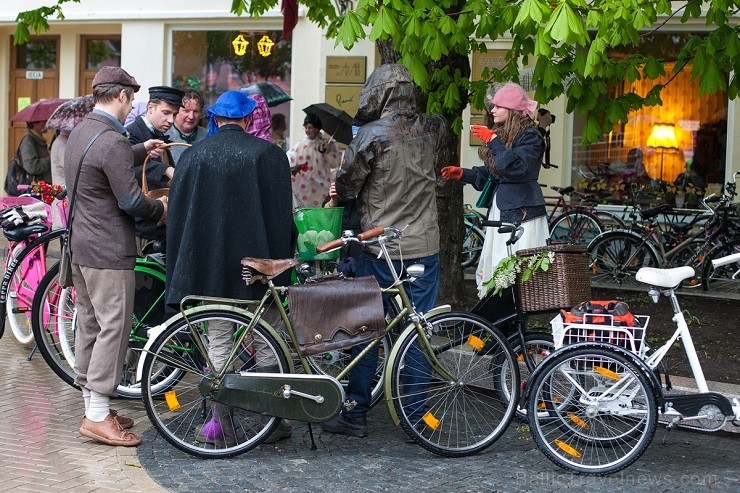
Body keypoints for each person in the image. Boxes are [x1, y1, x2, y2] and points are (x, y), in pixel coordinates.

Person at [320, 64, 446, 438]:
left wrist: (339, 188)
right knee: (418, 332)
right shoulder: (433, 127)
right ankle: (415, 417)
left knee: (364, 331)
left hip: (380, 248)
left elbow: (347, 187)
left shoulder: (372, 135)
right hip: (424, 244)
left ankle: (355, 412)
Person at [165, 90, 295, 445]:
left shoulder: (193, 157)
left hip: (207, 270)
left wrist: (180, 268)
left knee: (218, 337)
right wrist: (284, 264)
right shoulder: (269, 155)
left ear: (215, 119)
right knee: (268, 339)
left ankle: (220, 426)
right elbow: (282, 219)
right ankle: (274, 422)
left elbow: (177, 220)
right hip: (255, 268)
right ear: (249, 119)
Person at [65, 66, 167, 447]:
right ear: (121, 96)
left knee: (91, 325)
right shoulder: (110, 141)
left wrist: (141, 149)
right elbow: (129, 199)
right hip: (108, 250)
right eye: (132, 98)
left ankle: (95, 407)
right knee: (114, 328)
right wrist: (162, 210)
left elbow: (104, 162)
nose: (133, 106)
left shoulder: (84, 131)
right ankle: (96, 418)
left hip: (81, 247)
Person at [442, 82, 548, 298]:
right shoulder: (506, 136)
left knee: (514, 271)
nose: (492, 111)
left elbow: (515, 168)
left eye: (498, 106)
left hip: (522, 215)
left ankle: (514, 324)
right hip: (503, 211)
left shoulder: (532, 137)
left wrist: (493, 140)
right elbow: (495, 174)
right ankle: (500, 323)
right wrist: (464, 174)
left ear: (512, 111)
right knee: (498, 268)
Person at [126, 85, 183, 249]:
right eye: (166, 113)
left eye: (175, 114)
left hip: (160, 225)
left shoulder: (160, 135)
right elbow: (128, 165)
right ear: (150, 107)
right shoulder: (131, 134)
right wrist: (166, 170)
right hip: (142, 229)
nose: (171, 120)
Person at [286, 112, 341, 209]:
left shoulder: (327, 144)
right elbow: (290, 161)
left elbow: (335, 163)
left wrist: (328, 151)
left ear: (317, 128)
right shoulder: (300, 145)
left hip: (322, 185)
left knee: (322, 209)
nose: (307, 130)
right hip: (304, 186)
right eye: (306, 127)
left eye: (310, 127)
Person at [165, 88, 207, 164]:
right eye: (186, 111)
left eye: (196, 111)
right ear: (177, 110)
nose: (191, 117)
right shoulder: (163, 135)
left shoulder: (208, 136)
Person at [17, 120, 52, 185]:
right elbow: (32, 167)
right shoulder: (28, 141)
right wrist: (51, 158)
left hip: (42, 186)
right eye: (44, 121)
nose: (47, 123)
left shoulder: (39, 140)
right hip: (35, 188)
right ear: (35, 123)